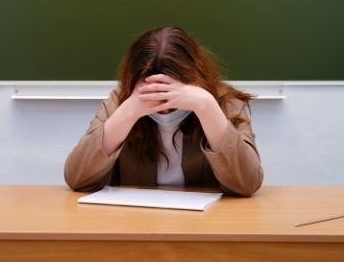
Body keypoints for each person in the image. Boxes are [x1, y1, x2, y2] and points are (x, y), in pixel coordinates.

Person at [64, 26, 263, 196]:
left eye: (170, 94)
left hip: (207, 226)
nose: (164, 109)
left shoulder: (224, 103)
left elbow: (247, 184)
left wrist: (207, 108)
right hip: (139, 225)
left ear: (194, 80)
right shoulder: (120, 103)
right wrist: (128, 113)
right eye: (152, 93)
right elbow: (77, 179)